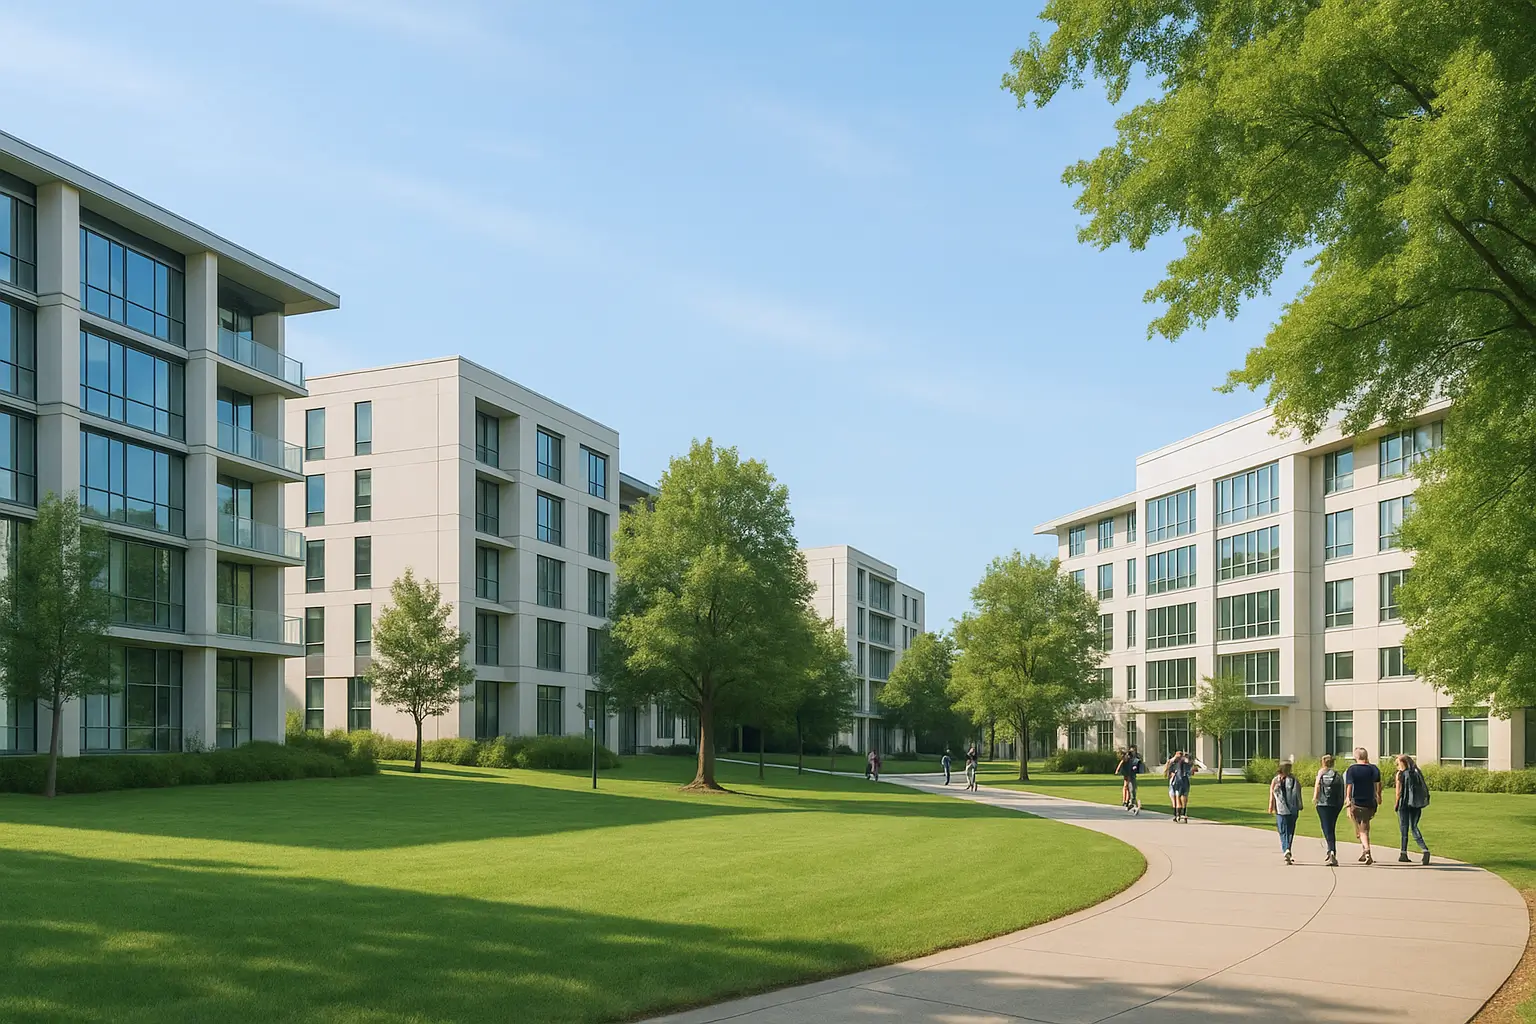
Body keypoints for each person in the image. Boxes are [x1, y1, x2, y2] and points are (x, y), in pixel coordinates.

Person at [1345, 746, 1383, 865]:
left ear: (1356, 757)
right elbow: (1377, 784)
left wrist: (1347, 797)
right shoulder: (1373, 769)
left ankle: (1367, 850)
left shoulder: (1352, 770)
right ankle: (1363, 849)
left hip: (1357, 802)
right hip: (1370, 802)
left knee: (1362, 828)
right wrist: (1378, 795)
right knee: (1365, 825)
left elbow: (1349, 786)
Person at [1394, 754, 1432, 864]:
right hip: (1416, 803)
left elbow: (1398, 792)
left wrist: (1396, 803)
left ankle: (1403, 853)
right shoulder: (1417, 772)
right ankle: (1425, 850)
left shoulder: (1400, 774)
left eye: (1397, 763)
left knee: (1404, 829)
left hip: (1404, 804)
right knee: (1414, 827)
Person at [1312, 753, 1345, 867]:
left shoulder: (1321, 773)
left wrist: (1315, 798)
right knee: (1331, 827)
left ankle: (1331, 851)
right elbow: (1342, 790)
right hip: (1335, 804)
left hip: (1323, 804)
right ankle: (1331, 850)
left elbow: (1317, 786)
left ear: (1323, 763)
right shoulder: (1337, 775)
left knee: (1326, 828)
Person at [1268, 759, 1303, 864]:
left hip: (1281, 809)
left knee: (1283, 831)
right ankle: (1288, 849)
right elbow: (1298, 794)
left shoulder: (1276, 780)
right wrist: (1300, 805)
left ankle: (1286, 849)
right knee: (1290, 831)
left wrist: (1271, 806)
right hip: (1293, 809)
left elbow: (1272, 794)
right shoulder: (1294, 780)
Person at [1165, 750, 1195, 822]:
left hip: (1176, 783)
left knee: (1178, 799)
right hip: (1181, 782)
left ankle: (1178, 815)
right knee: (1179, 799)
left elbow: (1191, 770)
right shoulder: (1175, 763)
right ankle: (1180, 814)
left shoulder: (1178, 764)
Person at [1117, 746, 1143, 811]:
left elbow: (1138, 764)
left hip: (1131, 774)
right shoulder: (1128, 756)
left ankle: (1130, 802)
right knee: (1128, 787)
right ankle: (1128, 802)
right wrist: (1117, 770)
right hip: (1127, 773)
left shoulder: (1136, 758)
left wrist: (1136, 768)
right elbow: (1122, 761)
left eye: (1133, 751)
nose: (1132, 752)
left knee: (1131, 788)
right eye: (1131, 751)